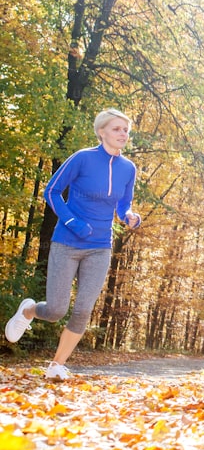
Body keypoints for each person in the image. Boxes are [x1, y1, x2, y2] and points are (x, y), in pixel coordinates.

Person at [5, 108, 141, 380]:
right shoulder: (82, 158)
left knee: (83, 310)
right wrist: (72, 222)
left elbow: (122, 203)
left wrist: (129, 215)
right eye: (117, 129)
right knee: (55, 311)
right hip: (67, 242)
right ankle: (30, 309)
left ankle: (56, 365)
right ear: (101, 131)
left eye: (125, 130)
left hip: (100, 246)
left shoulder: (128, 168)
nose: (123, 134)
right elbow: (51, 191)